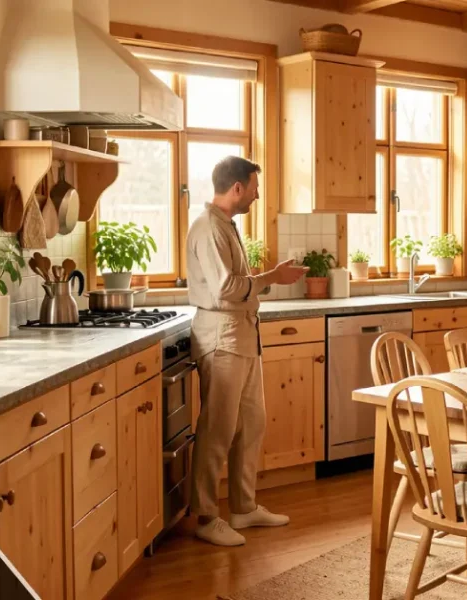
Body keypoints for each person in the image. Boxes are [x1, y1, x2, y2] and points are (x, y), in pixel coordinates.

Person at [187, 156, 308, 546]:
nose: (257, 196)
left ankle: (242, 507)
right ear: (237, 188)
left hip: (242, 336)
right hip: (222, 338)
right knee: (218, 430)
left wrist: (268, 279)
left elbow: (237, 283)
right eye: (255, 189)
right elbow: (225, 289)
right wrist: (271, 277)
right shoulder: (208, 229)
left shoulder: (226, 227)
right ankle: (207, 517)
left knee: (252, 423)